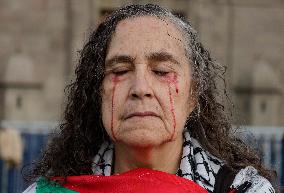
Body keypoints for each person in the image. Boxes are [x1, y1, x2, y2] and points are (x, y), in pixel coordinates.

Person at [23, 4, 276, 193]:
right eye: (120, 71)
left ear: (193, 95)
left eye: (162, 71)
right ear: (98, 91)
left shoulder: (243, 189)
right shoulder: (48, 191)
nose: (140, 88)